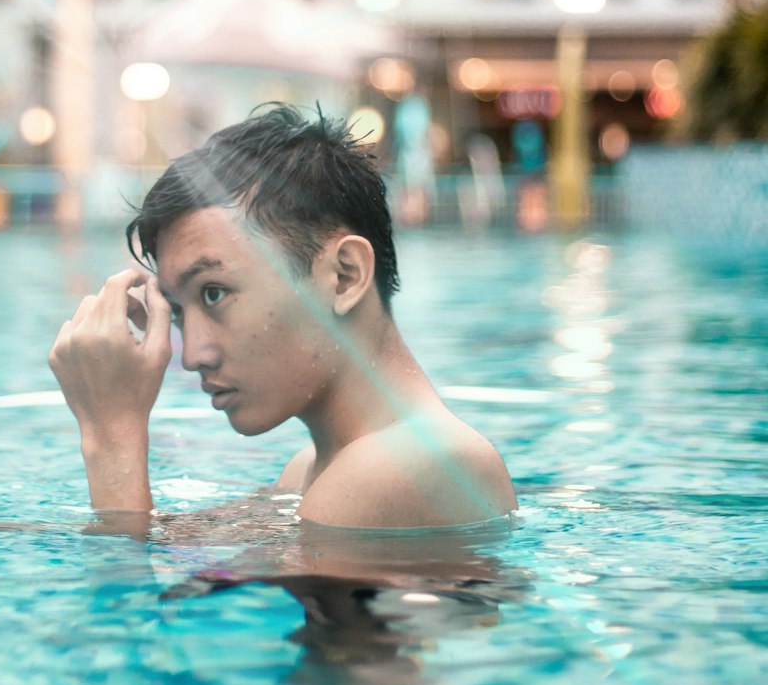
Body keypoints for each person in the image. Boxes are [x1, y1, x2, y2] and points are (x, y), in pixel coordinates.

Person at [49, 104, 516, 530]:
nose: (191, 355)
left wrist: (112, 434)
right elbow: (169, 546)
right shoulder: (311, 471)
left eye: (214, 293)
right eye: (176, 311)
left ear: (344, 276)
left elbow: (126, 614)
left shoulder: (408, 466)